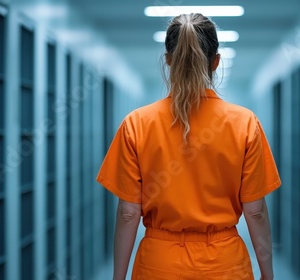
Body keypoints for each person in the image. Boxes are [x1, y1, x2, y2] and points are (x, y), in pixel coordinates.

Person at [96, 13, 281, 280]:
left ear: (169, 60)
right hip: (224, 264)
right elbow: (255, 211)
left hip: (158, 265)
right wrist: (267, 274)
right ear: (216, 62)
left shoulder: (136, 124)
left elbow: (128, 214)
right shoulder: (245, 123)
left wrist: (118, 277)